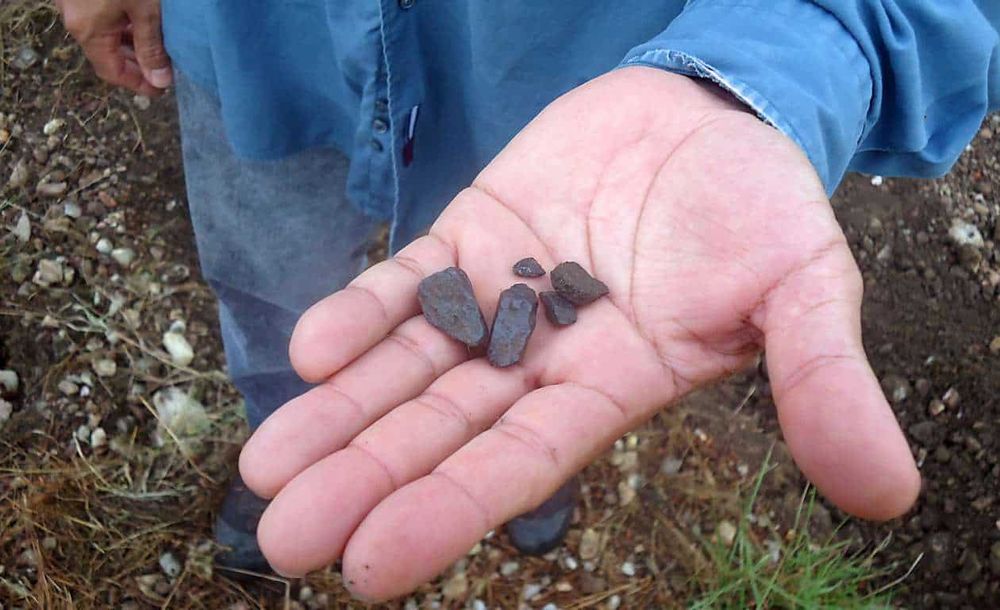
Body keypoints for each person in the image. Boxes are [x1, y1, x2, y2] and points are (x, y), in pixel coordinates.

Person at [57, 0, 999, 602]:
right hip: (259, 44)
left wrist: (798, 49)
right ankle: (284, 432)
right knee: (274, 291)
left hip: (562, 84)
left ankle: (542, 473)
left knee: (546, 374)